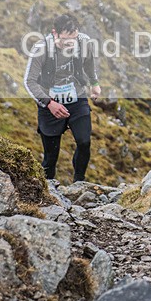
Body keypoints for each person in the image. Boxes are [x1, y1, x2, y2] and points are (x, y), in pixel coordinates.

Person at [23, 14, 101, 183]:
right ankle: (48, 189)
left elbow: (89, 63)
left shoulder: (83, 42)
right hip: (49, 102)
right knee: (50, 157)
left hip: (77, 98)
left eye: (73, 38)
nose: (70, 43)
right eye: (66, 39)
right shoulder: (41, 48)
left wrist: (94, 83)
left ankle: (79, 182)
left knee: (84, 142)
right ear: (55, 33)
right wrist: (49, 103)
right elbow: (29, 81)